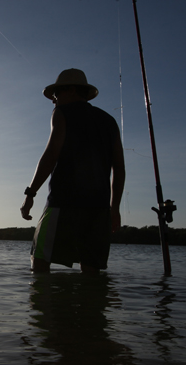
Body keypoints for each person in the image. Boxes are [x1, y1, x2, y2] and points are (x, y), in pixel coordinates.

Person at [20, 68, 125, 274]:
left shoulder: (61, 113)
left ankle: (45, 305)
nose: (53, 100)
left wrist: (30, 194)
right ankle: (89, 305)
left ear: (71, 90)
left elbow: (50, 156)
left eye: (57, 93)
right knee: (91, 270)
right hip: (99, 208)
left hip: (63, 203)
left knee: (40, 260)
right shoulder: (109, 121)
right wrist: (114, 208)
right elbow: (119, 169)